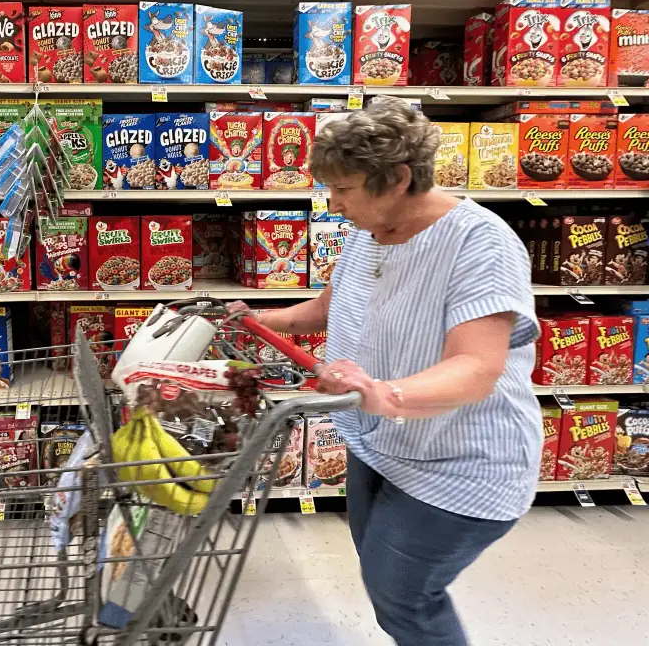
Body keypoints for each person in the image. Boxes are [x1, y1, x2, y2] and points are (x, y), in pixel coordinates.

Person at [231, 98, 541, 646]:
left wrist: (385, 393)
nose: (332, 203)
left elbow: (476, 367)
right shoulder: (367, 230)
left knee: (403, 595)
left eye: (343, 189)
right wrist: (258, 319)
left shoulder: (480, 243)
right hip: (377, 442)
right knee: (385, 580)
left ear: (397, 178)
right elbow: (331, 306)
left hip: (460, 456)